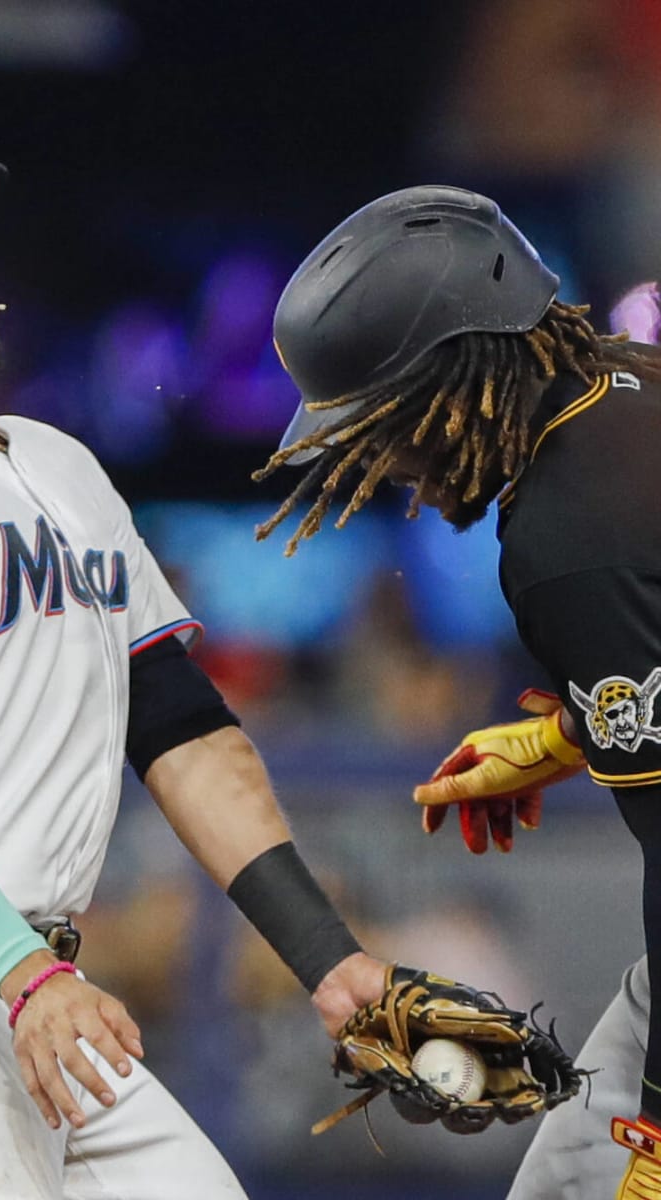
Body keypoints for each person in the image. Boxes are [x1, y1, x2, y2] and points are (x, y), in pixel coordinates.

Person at [0, 160, 399, 1200]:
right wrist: (22, 972)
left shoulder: (57, 464)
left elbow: (181, 727)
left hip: (27, 975)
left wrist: (326, 958)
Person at [254, 183, 661, 1199]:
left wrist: (657, 1128)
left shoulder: (568, 538)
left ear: (453, 380)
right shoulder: (629, 388)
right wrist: (575, 731)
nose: (381, 461)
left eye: (380, 422)